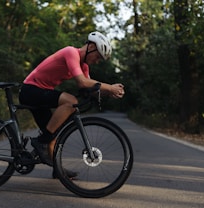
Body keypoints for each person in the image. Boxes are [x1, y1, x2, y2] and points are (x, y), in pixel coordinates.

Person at [19, 31, 125, 178]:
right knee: (71, 101)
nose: (97, 61)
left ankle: (58, 170)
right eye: (98, 57)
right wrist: (109, 86)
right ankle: (41, 142)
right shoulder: (71, 52)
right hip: (30, 90)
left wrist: (109, 92)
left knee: (53, 133)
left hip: (41, 93)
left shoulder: (84, 66)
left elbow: (89, 88)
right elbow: (82, 81)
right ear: (92, 47)